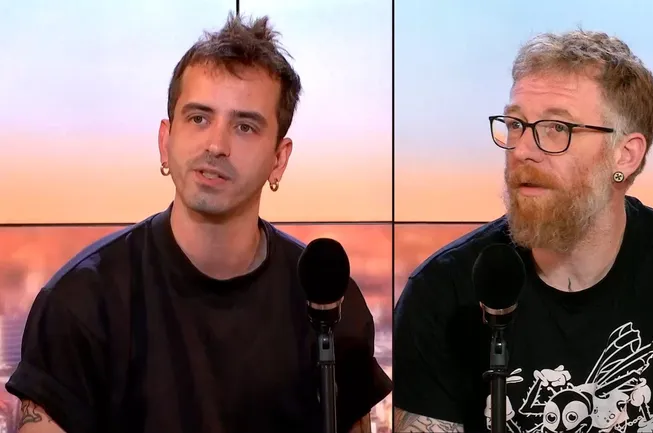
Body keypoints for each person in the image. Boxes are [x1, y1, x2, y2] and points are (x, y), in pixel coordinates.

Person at [8, 13, 391, 433]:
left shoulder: (328, 302)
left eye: (244, 126)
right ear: (165, 141)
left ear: (279, 160)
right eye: (198, 118)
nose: (216, 145)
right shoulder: (82, 301)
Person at [393, 29, 653, 433]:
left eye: (557, 127)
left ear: (625, 154)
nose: (523, 150)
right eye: (516, 124)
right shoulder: (442, 289)